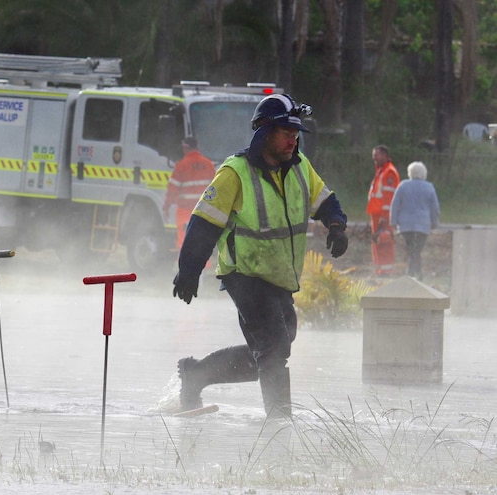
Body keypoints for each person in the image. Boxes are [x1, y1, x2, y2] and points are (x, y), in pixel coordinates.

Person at [171, 94, 348, 418]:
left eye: (296, 135)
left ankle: (196, 374)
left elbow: (325, 201)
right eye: (285, 134)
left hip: (280, 276)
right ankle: (280, 424)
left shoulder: (300, 168)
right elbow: (204, 223)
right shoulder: (234, 173)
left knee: (272, 350)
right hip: (246, 276)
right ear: (263, 133)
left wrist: (336, 226)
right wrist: (189, 270)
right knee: (273, 349)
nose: (293, 141)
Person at [390, 161, 440, 280]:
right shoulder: (429, 187)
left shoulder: (403, 185)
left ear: (410, 173)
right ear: (424, 173)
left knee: (412, 250)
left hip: (405, 225)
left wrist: (393, 221)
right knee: (416, 250)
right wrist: (434, 223)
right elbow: (435, 208)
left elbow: (394, 204)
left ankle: (412, 275)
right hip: (423, 225)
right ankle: (416, 275)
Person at [163, 137, 217, 248]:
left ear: (185, 148)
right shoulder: (209, 164)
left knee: (185, 243)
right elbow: (215, 189)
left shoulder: (181, 165)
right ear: (197, 147)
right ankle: (204, 265)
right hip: (204, 212)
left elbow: (172, 190)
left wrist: (166, 207)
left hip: (185, 212)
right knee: (203, 243)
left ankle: (185, 265)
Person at [367, 145, 400, 276]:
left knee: (385, 241)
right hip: (376, 213)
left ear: (385, 156)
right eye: (373, 154)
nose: (374, 157)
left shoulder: (389, 172)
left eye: (377, 154)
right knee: (378, 242)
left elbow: (389, 197)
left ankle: (386, 271)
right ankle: (380, 270)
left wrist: (385, 216)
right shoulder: (381, 171)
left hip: (383, 215)